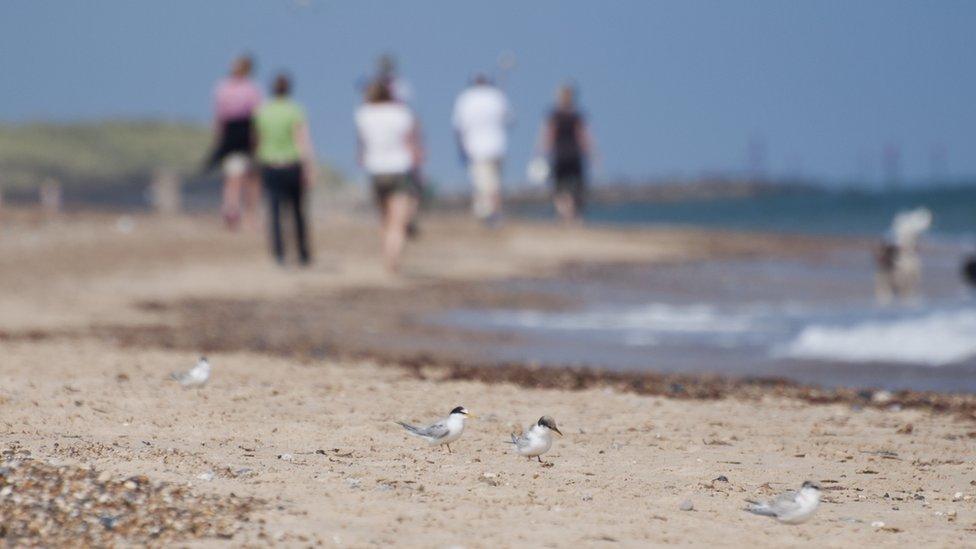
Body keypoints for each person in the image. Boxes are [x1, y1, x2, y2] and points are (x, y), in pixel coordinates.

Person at [355, 82, 423, 273]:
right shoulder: (401, 113)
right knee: (398, 222)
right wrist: (417, 164)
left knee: (385, 218)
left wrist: (362, 157)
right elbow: (411, 142)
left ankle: (387, 257)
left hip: (375, 170)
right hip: (399, 168)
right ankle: (392, 261)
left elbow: (361, 144)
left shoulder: (364, 113)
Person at [254, 73, 316, 266]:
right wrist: (309, 166)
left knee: (274, 213)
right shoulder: (295, 110)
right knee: (297, 212)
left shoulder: (263, 111)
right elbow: (302, 140)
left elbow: (258, 140)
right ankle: (303, 254)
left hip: (270, 164)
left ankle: (279, 255)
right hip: (292, 165)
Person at [209, 55, 262, 230]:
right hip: (244, 134)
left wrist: (219, 139)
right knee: (248, 177)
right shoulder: (250, 89)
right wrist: (257, 139)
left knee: (234, 177)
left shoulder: (223, 88)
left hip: (231, 135)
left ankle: (233, 211)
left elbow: (219, 117)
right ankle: (244, 215)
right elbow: (257, 116)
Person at [452, 75, 511, 225]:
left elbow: (458, 126)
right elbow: (509, 119)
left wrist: (460, 148)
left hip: (475, 147)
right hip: (498, 146)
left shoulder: (466, 98)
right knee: (494, 183)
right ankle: (491, 213)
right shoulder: (497, 96)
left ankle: (489, 214)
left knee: (483, 184)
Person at [538, 84, 595, 223]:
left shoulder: (555, 114)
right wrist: (591, 153)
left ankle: (564, 213)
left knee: (560, 187)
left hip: (561, 155)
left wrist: (541, 152)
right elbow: (583, 136)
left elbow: (548, 135)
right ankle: (571, 214)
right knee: (575, 187)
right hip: (573, 155)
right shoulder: (576, 115)